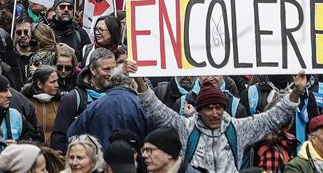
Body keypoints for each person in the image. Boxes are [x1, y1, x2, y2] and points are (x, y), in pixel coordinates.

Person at [128, 59, 306, 172]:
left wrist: (296, 92)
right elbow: (156, 109)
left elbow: (272, 118)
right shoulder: (185, 127)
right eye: (209, 108)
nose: (215, 113)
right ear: (199, 110)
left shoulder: (237, 128)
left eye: (219, 108)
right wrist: (138, 80)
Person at [67, 65, 149, 150]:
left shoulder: (94, 106)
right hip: (133, 159)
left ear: (111, 82)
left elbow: (72, 135)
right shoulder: (141, 106)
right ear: (132, 83)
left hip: (102, 159)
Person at [50, 48, 116, 153]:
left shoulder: (118, 96)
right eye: (106, 69)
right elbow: (59, 139)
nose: (111, 74)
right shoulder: (73, 99)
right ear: (93, 70)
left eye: (114, 69)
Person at [21, 65, 61, 145]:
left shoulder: (60, 102)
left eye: (57, 81)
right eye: (52, 82)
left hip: (56, 154)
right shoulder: (25, 103)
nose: (57, 85)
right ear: (39, 84)